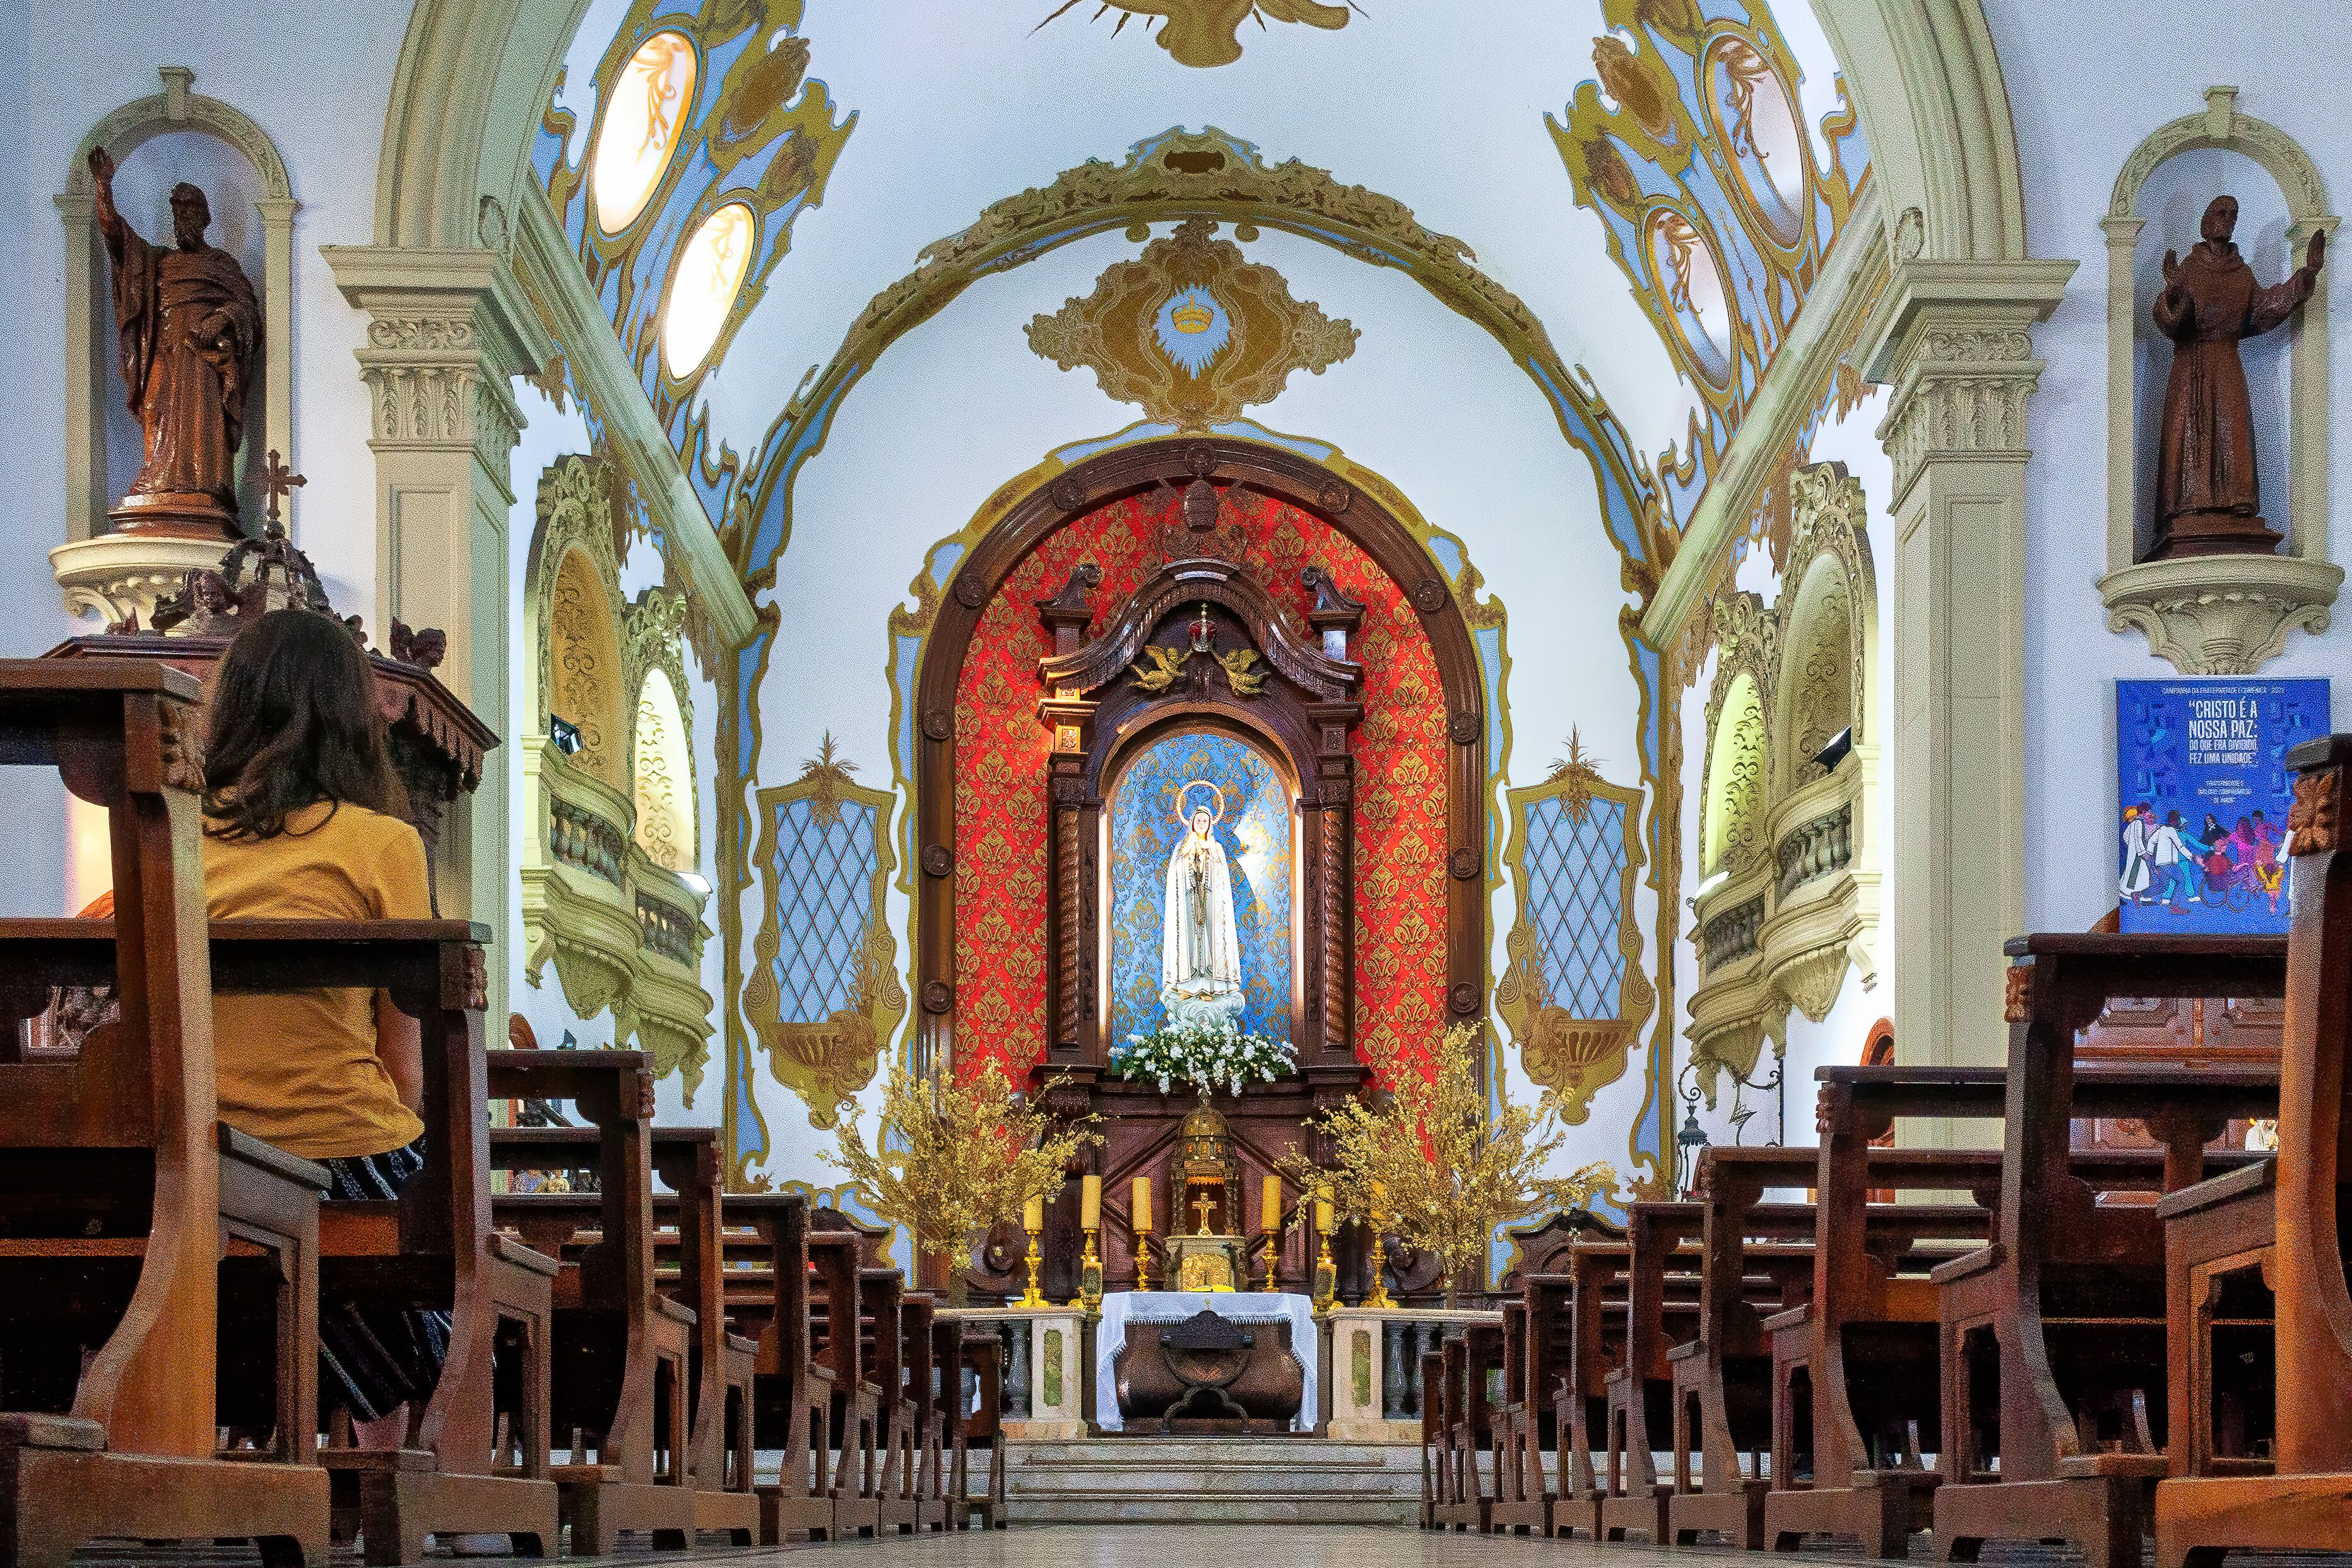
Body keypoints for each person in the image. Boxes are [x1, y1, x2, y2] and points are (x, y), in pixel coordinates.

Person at [199, 608, 440, 1449]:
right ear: (350, 716)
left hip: (196, 1154)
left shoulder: (171, 832)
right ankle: (399, 1460)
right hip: (334, 1152)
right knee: (435, 1205)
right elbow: (403, 1064)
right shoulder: (385, 843)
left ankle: (223, 1425)